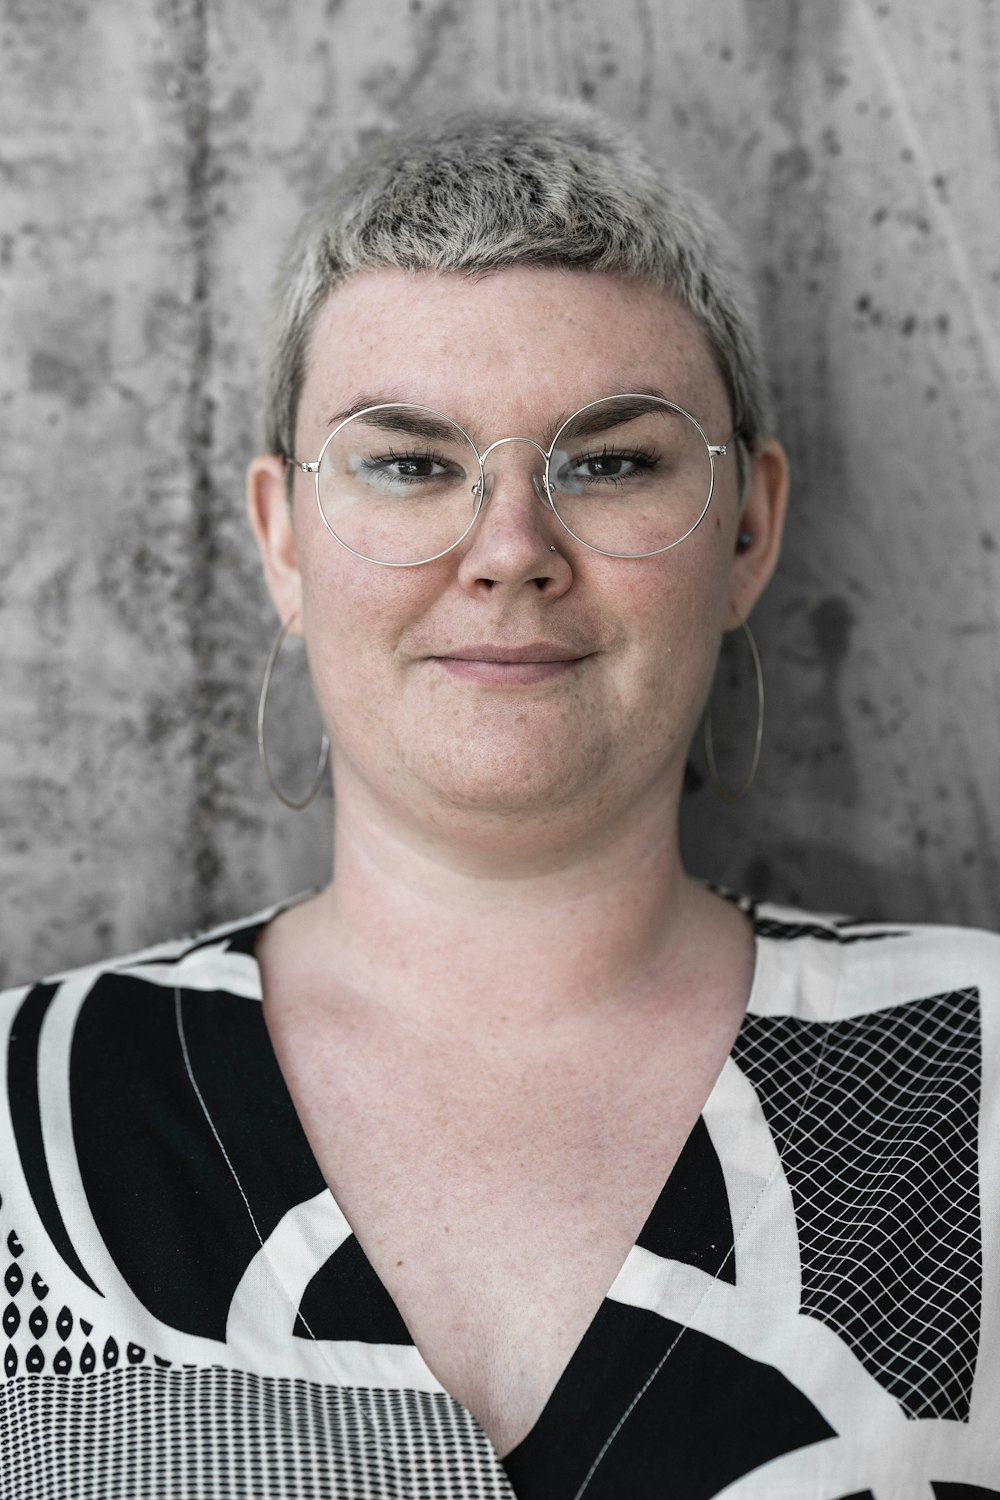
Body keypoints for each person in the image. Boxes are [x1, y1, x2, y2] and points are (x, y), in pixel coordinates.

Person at [1, 100, 997, 1500]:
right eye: (410, 464)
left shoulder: (985, 1081)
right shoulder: (17, 1112)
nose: (510, 551)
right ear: (282, 540)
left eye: (609, 462)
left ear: (750, 529)